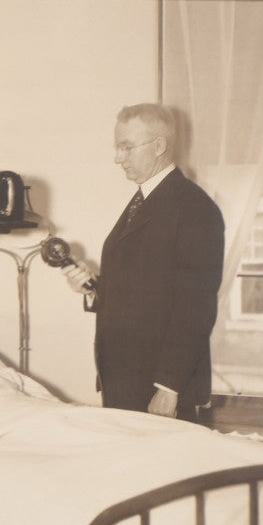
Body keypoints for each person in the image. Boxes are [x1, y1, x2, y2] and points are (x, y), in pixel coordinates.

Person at [61, 103, 224, 421]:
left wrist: (169, 387)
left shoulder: (193, 208)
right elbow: (145, 288)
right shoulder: (144, 200)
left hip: (159, 388)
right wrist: (94, 289)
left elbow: (196, 306)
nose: (117, 157)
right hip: (125, 379)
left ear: (159, 145)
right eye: (117, 147)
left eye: (126, 147)